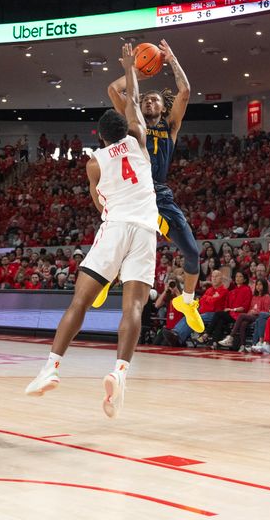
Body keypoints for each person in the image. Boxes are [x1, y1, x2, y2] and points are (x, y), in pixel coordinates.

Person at [25, 43, 159, 419]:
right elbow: (131, 102)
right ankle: (120, 372)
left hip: (115, 227)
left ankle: (51, 367)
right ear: (126, 130)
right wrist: (132, 70)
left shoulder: (94, 163)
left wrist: (128, 68)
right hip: (146, 230)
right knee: (133, 306)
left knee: (80, 301)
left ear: (99, 137)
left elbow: (99, 203)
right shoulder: (139, 140)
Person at [106, 39, 203, 333]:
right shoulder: (133, 123)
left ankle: (187, 301)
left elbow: (185, 91)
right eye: (145, 99)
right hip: (134, 192)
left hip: (159, 193)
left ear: (164, 107)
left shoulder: (170, 128)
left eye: (155, 100)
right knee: (118, 244)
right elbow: (114, 90)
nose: (149, 102)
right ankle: (102, 281)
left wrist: (171, 60)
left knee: (193, 253)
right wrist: (134, 71)